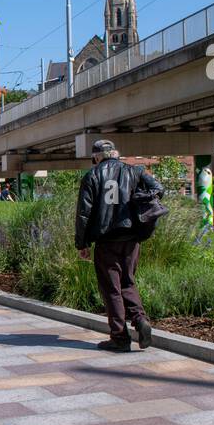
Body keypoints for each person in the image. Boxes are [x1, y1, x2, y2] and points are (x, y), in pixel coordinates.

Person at [74, 139, 162, 352]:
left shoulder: (92, 176)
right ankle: (140, 320)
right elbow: (158, 188)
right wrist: (138, 201)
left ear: (96, 156)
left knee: (111, 288)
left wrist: (82, 244)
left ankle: (120, 337)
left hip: (106, 240)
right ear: (115, 153)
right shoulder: (134, 171)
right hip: (131, 238)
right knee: (128, 282)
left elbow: (84, 214)